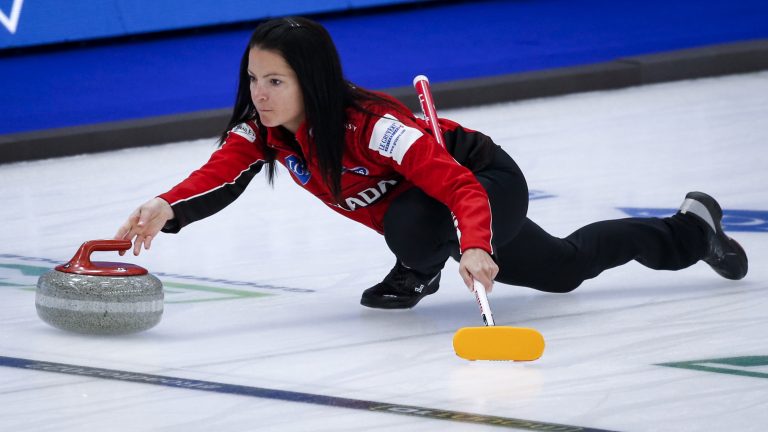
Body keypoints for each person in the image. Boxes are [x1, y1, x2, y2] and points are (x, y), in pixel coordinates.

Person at [116, 17, 748, 310]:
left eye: (275, 80)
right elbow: (219, 173)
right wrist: (165, 205)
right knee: (563, 271)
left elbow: (458, 184)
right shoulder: (266, 131)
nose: (258, 93)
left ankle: (418, 271)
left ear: (311, 79)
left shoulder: (375, 128)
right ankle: (692, 229)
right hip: (436, 211)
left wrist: (473, 243)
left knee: (420, 225)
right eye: (253, 78)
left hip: (483, 179)